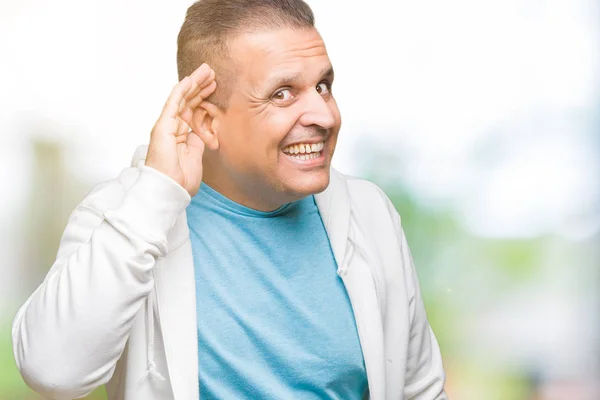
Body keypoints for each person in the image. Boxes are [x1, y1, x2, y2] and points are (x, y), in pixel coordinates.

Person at [12, 0, 447, 399]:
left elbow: (420, 390)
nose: (324, 115)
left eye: (324, 86)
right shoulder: (121, 214)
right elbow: (53, 372)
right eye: (283, 93)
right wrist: (157, 193)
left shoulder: (370, 213)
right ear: (206, 121)